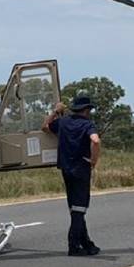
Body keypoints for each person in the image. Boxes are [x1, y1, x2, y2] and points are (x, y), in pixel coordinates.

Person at [43, 96, 102, 256]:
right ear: (86, 110)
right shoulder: (87, 124)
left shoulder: (63, 122)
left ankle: (87, 244)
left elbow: (46, 126)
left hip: (66, 169)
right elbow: (95, 141)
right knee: (79, 209)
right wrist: (93, 160)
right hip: (81, 169)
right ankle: (73, 246)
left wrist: (55, 112)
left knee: (75, 208)